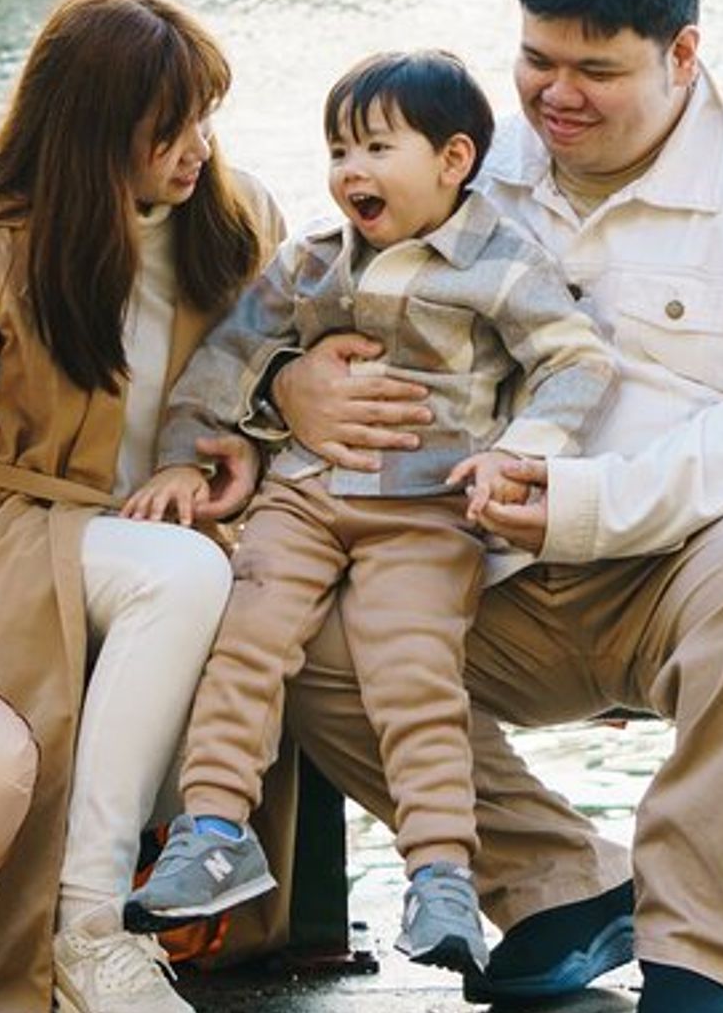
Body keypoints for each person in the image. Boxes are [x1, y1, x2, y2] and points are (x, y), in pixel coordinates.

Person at [265, 0, 723, 1010]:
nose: (557, 94)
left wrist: (590, 503)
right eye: (537, 59)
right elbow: (307, 293)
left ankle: (693, 957)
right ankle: (568, 889)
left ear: (682, 54)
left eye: (596, 70)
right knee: (301, 638)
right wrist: (290, 382)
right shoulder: (466, 168)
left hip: (695, 576)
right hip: (483, 575)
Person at [117, 50, 621, 976]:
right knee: (247, 636)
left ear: (454, 158)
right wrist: (190, 460)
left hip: (426, 514)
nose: (351, 171)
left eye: (376, 148)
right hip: (304, 497)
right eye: (338, 150)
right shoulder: (311, 261)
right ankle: (215, 830)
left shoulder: (501, 265)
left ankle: (441, 876)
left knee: (411, 675)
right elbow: (224, 363)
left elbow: (577, 361)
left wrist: (521, 456)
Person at [0, 0, 284, 1013]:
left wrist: (244, 442)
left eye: (206, 118)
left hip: (184, 523)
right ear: (97, 130)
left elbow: (291, 369)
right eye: (171, 128)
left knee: (245, 588)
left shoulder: (236, 224)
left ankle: (175, 911)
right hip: (20, 529)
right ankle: (89, 925)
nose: (199, 148)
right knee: (181, 580)